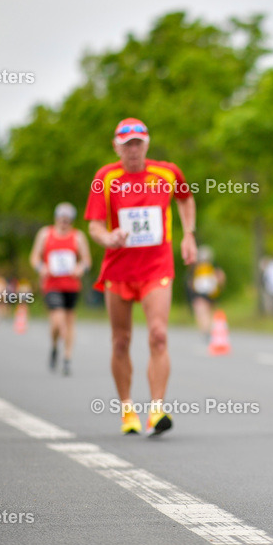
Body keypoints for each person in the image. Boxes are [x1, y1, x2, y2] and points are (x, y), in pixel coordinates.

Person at [85, 118, 196, 436]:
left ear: (146, 144)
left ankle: (157, 410)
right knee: (121, 341)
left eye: (138, 143)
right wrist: (108, 238)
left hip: (156, 267)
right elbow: (93, 225)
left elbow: (186, 199)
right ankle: (127, 410)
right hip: (119, 270)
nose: (133, 149)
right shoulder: (105, 178)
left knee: (158, 335)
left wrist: (188, 234)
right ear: (116, 146)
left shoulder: (167, 172)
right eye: (126, 143)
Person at [30, 202, 92, 376]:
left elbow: (86, 260)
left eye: (68, 219)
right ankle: (55, 345)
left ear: (71, 221)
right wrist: (40, 268)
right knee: (58, 321)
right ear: (56, 218)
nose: (64, 222)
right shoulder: (45, 234)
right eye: (61, 218)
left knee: (69, 321)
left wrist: (81, 268)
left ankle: (66, 357)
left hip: (71, 285)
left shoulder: (78, 237)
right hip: (51, 284)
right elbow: (35, 257)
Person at [187, 245, 225, 338]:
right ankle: (208, 330)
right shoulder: (213, 267)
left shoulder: (195, 268)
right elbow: (221, 278)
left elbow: (190, 283)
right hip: (211, 294)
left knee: (202, 313)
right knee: (207, 312)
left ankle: (205, 330)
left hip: (200, 294)